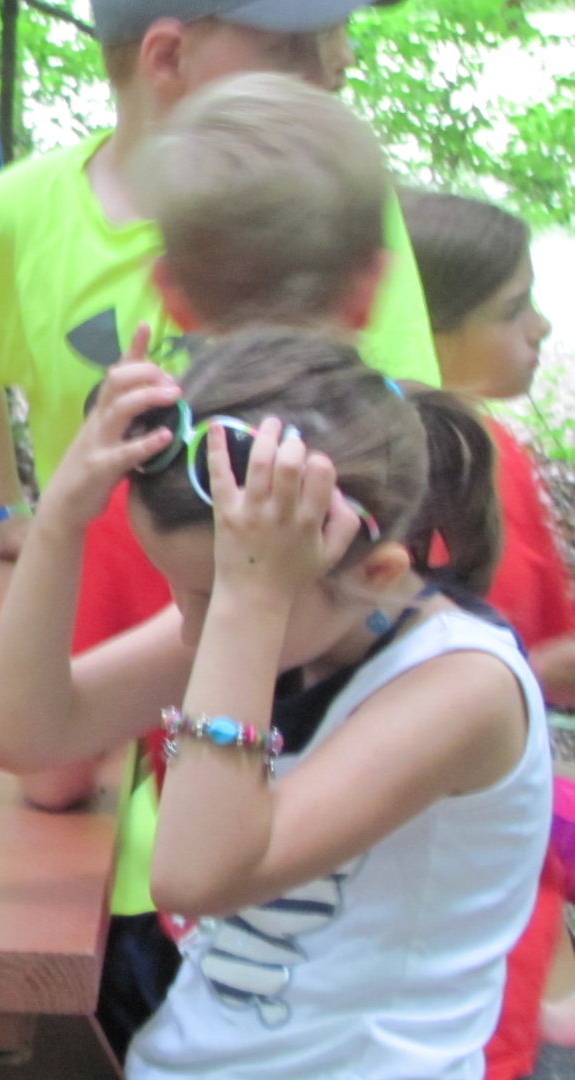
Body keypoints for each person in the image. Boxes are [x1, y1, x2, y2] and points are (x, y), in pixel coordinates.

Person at [0, 327, 549, 1077]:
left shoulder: (462, 689)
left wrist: (246, 602)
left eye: (213, 596)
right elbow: (28, 733)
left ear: (377, 573)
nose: (190, 627)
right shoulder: (276, 611)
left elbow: (196, 877)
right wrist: (62, 516)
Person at [0, 0, 438, 666]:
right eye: (294, 45)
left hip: (297, 654)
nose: (341, 60)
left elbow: (406, 438)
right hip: (91, 655)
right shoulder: (14, 218)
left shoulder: (336, 212)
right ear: (167, 57)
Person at [400, 187, 567, 1079]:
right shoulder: (462, 474)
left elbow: (535, 664)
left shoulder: (496, 452)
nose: (541, 328)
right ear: (423, 327)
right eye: (512, 309)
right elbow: (485, 682)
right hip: (468, 943)